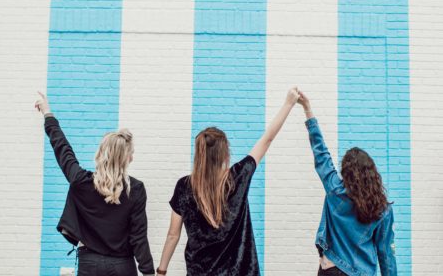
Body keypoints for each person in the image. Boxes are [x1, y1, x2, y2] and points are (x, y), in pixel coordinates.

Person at [155, 87, 301, 276]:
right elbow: (267, 139)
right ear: (224, 153)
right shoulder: (238, 177)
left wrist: (161, 271)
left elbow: (173, 234)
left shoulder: (184, 186)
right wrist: (288, 104)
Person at [35, 92, 155, 276]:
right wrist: (148, 272)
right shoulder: (136, 189)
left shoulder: (80, 181)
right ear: (126, 159)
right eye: (131, 153)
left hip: (89, 263)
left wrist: (48, 114)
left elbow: (62, 149)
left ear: (102, 153)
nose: (133, 156)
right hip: (123, 266)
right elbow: (138, 237)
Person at [296, 91, 397, 276]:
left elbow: (321, 153)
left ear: (346, 173)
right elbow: (386, 256)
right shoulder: (383, 210)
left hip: (331, 269)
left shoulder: (335, 190)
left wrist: (307, 109)